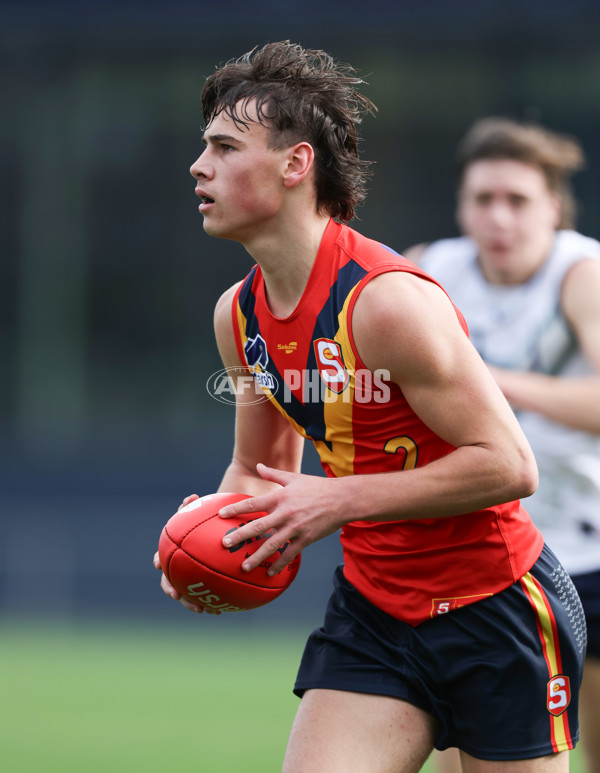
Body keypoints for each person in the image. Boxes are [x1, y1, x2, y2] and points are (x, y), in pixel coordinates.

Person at [154, 44, 585, 772]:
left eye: (225, 148)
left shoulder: (386, 303)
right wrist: (207, 547)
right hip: (374, 611)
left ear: (295, 165)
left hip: (497, 606)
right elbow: (258, 472)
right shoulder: (239, 317)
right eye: (204, 149)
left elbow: (511, 465)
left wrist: (339, 500)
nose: (200, 167)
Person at [405, 117, 600, 773]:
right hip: (485, 562)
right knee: (480, 757)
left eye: (517, 200)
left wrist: (493, 382)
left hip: (591, 551)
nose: (499, 217)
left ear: (553, 208)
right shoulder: (430, 269)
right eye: (483, 199)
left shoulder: (581, 274)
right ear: (462, 207)